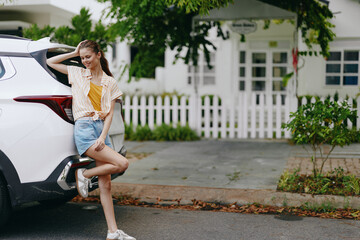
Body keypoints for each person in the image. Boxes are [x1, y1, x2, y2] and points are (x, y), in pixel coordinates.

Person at [47, 40, 135, 240]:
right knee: (122, 163)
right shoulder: (77, 73)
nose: (84, 61)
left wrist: (103, 137)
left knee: (106, 185)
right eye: (82, 58)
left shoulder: (109, 82)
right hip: (85, 128)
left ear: (98, 55)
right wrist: (75, 52)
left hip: (101, 130)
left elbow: (110, 114)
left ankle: (113, 232)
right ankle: (85, 174)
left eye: (88, 56)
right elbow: (52, 62)